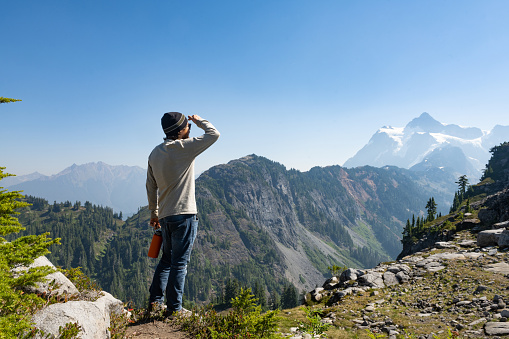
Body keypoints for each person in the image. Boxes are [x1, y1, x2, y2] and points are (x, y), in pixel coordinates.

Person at [146, 112, 220, 316]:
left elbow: (150, 186)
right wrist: (199, 120)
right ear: (180, 131)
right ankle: (174, 310)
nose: (190, 129)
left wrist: (154, 213)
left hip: (165, 217)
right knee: (179, 264)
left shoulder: (154, 153)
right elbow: (214, 134)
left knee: (166, 261)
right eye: (187, 126)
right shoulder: (184, 148)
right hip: (185, 215)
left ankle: (154, 303)